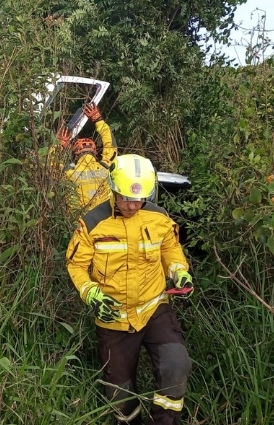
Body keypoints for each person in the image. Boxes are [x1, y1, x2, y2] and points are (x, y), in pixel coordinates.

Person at [65, 154, 194, 425]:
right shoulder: (92, 222)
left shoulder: (158, 217)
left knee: (176, 365)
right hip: (114, 317)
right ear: (112, 188)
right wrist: (91, 293)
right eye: (125, 198)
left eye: (139, 199)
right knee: (119, 394)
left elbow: (170, 249)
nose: (132, 205)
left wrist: (179, 272)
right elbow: (76, 264)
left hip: (154, 308)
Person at [55, 103, 118, 212]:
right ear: (95, 152)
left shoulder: (69, 173)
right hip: (105, 219)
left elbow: (50, 165)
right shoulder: (105, 167)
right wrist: (98, 120)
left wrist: (58, 145)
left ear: (75, 156)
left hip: (80, 223)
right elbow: (111, 147)